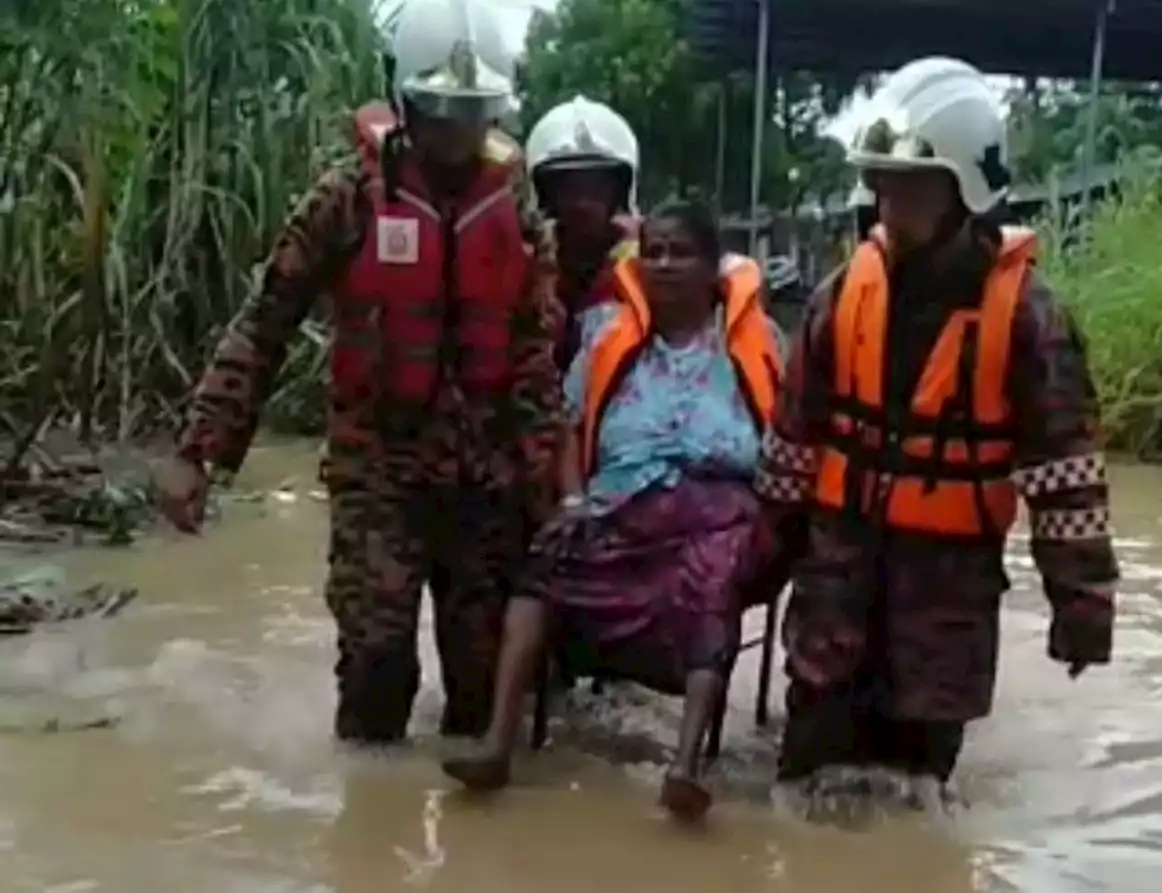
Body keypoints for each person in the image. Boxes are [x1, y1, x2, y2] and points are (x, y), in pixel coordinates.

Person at [151, 0, 563, 745]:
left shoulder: (515, 208)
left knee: (482, 681)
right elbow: (264, 320)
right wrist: (198, 452)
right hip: (380, 470)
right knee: (377, 668)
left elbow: (534, 354)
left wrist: (551, 487)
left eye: (473, 113)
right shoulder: (345, 199)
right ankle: (368, 832)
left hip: (484, 477)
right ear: (406, 100)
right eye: (440, 110)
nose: (457, 130)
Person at [754, 57, 1119, 804]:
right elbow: (793, 444)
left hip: (945, 600)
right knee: (802, 786)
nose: (890, 199)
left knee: (917, 798)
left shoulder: (1028, 319)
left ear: (965, 190)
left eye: (912, 183)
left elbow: (1065, 470)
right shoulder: (839, 298)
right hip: (837, 585)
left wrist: (1080, 599)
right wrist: (759, 557)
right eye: (883, 181)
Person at [442, 200, 786, 821]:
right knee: (547, 553)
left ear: (713, 266)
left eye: (681, 252)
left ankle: (684, 768)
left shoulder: (756, 341)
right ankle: (497, 744)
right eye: (653, 251)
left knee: (715, 573)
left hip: (719, 505)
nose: (664, 264)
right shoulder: (607, 336)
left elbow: (788, 435)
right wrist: (572, 498)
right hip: (622, 498)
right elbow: (570, 426)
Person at [525, 95, 641, 370]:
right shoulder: (522, 265)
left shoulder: (652, 263)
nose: (582, 202)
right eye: (569, 188)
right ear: (546, 195)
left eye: (596, 188)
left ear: (619, 194)